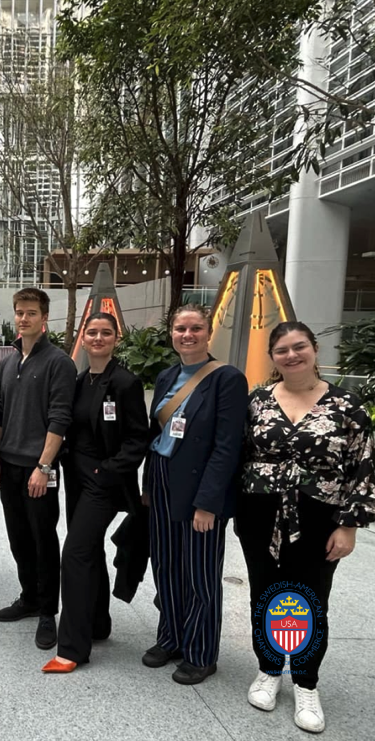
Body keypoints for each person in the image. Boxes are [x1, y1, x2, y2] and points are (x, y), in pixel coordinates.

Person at [238, 321, 375, 733]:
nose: (291, 355)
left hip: (319, 517)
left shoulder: (346, 405)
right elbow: (238, 453)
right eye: (282, 350)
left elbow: (363, 466)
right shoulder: (258, 400)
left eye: (299, 347)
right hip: (260, 512)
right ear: (273, 357)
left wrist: (349, 526)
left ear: (314, 349)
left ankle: (305, 681)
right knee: (265, 593)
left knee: (310, 598)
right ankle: (268, 669)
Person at [141, 304, 248, 685]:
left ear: (208, 333)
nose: (187, 335)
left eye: (196, 328)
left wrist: (208, 503)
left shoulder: (227, 379)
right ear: (171, 333)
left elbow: (227, 447)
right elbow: (157, 435)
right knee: (166, 563)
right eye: (180, 328)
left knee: (200, 572)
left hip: (200, 485)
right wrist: (148, 486)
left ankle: (201, 652)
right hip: (163, 477)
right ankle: (170, 637)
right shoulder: (167, 375)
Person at [42, 312, 150, 673]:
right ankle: (98, 623)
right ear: (83, 339)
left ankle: (72, 648)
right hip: (76, 478)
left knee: (74, 554)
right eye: (92, 332)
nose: (98, 338)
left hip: (103, 482)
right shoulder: (79, 380)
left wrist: (107, 471)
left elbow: (137, 439)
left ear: (116, 339)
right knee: (88, 550)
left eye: (106, 332)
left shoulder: (125, 382)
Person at [0, 288, 76, 651]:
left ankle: (47, 611)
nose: (23, 318)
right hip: (9, 464)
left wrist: (44, 466)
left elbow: (60, 418)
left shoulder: (59, 363)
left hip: (39, 469)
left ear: (44, 318)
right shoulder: (8, 364)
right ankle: (28, 597)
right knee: (18, 538)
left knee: (43, 540)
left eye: (31, 313)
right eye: (19, 312)